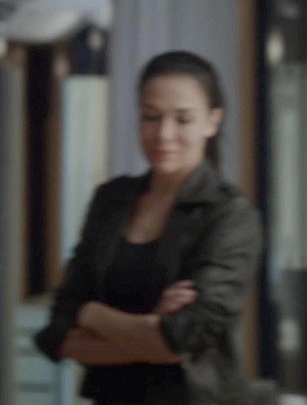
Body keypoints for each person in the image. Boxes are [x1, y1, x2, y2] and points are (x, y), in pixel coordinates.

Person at [34, 51, 263, 405]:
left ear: (212, 121)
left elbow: (183, 338)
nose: (164, 134)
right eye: (151, 117)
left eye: (183, 119)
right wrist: (149, 331)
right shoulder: (111, 201)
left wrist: (91, 314)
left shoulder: (229, 214)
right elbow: (57, 333)